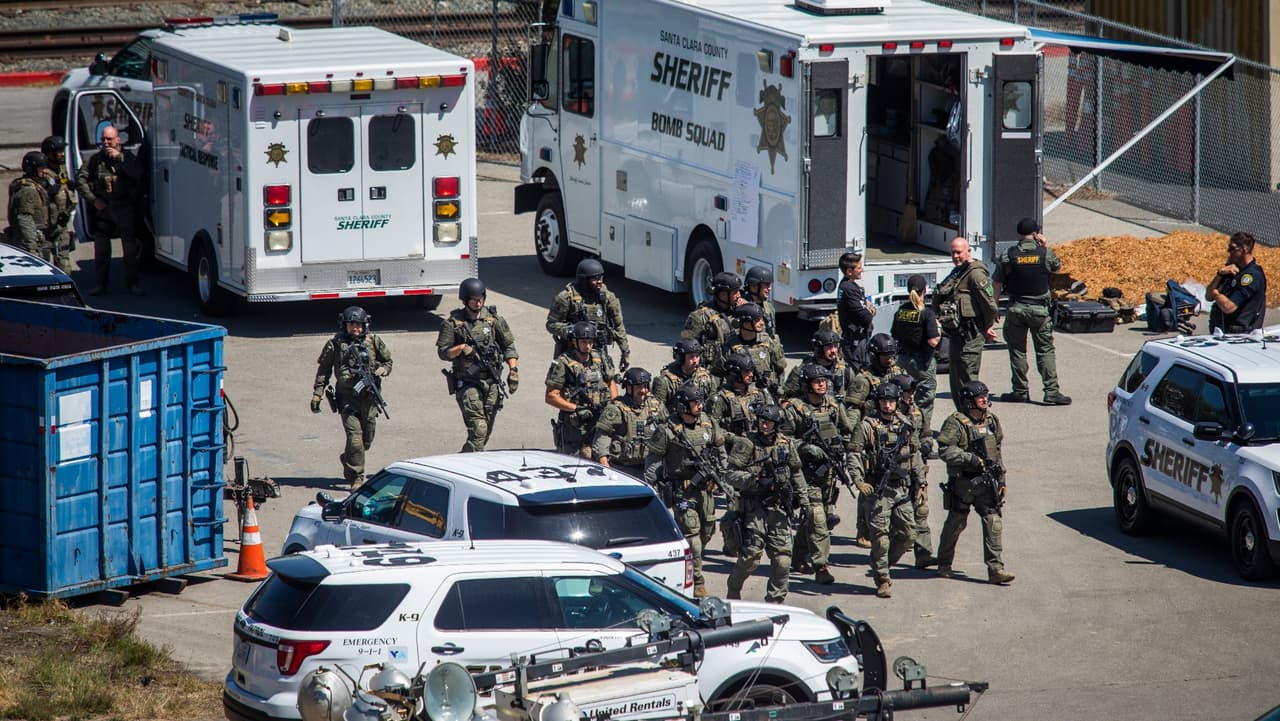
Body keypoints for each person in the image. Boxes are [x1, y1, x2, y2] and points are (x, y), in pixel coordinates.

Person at [645, 382, 728, 597]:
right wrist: (650, 487)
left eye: (700, 402)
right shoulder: (667, 430)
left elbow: (720, 448)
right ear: (683, 406)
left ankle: (687, 558)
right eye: (694, 402)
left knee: (707, 530)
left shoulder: (708, 423)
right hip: (683, 491)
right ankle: (698, 580)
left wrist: (722, 472)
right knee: (693, 538)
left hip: (706, 489)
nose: (699, 406)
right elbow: (653, 460)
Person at [725, 404, 808, 603]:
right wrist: (755, 480)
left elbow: (796, 473)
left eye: (769, 422)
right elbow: (730, 474)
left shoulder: (786, 444)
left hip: (779, 508)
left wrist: (804, 500)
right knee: (750, 558)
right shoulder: (747, 443)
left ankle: (776, 602)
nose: (764, 425)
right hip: (754, 507)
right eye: (762, 421)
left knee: (782, 560)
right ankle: (733, 590)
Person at [934, 381, 1015, 585]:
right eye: (980, 397)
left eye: (985, 396)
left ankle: (996, 568)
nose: (985, 400)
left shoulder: (991, 421)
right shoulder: (955, 423)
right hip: (964, 482)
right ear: (969, 401)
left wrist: (1002, 478)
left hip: (987, 483)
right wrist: (968, 459)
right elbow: (945, 450)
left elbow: (997, 451)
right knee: (956, 522)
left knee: (993, 522)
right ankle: (944, 562)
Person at [849, 382, 925, 598]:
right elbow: (854, 454)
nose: (888, 405)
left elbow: (915, 455)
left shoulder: (905, 424)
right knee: (880, 539)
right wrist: (859, 481)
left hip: (900, 488)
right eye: (884, 401)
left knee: (909, 534)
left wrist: (921, 482)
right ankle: (883, 578)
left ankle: (881, 562)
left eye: (891, 401)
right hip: (877, 490)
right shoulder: (867, 426)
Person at [787, 363, 858, 585]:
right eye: (817, 381)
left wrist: (841, 450)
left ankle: (797, 556)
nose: (822, 384)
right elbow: (781, 440)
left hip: (828, 474)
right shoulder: (794, 409)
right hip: (805, 475)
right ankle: (821, 566)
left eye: (824, 381)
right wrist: (804, 447)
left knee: (817, 521)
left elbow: (848, 432)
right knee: (818, 520)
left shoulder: (833, 406)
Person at [992, 219, 1072, 406]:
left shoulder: (1008, 255)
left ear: (1019, 233)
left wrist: (994, 307)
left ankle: (1020, 391)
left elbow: (996, 282)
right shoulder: (1044, 253)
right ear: (1036, 233)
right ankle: (1051, 392)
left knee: (1017, 351)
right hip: (1039, 310)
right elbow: (1057, 267)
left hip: (1016, 309)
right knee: (1045, 351)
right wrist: (1045, 245)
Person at [311, 306, 393, 487]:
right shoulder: (335, 344)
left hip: (370, 399)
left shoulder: (374, 341)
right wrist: (317, 394)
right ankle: (356, 477)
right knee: (355, 439)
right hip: (347, 398)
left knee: (366, 441)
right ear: (344, 325)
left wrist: (383, 370)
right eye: (351, 325)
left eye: (359, 325)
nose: (355, 328)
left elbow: (388, 361)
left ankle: (349, 458)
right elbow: (323, 371)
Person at [436, 278, 520, 452]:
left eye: (481, 297)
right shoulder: (453, 324)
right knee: (479, 429)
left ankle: (465, 457)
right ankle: (467, 464)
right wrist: (460, 348)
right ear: (465, 300)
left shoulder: (493, 320)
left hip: (492, 381)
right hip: (468, 382)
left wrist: (513, 370)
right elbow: (443, 352)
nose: (479, 302)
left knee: (485, 431)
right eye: (474, 299)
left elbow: (508, 346)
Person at [708, 351, 775, 557]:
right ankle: (732, 541)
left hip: (757, 454)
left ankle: (753, 540)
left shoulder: (760, 394)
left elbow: (773, 414)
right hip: (733, 456)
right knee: (734, 504)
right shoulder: (720, 398)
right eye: (746, 371)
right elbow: (712, 427)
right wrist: (734, 439)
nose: (750, 375)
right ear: (735, 374)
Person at [76, 123, 145, 296]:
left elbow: (138, 174)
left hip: (124, 209)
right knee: (101, 251)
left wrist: (120, 158)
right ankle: (101, 285)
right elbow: (81, 181)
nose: (106, 143)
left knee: (130, 250)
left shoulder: (127, 157)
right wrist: (93, 200)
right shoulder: (95, 160)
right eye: (103, 139)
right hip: (104, 211)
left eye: (109, 139)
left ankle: (133, 284)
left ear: (117, 140)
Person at [932, 237, 998, 411]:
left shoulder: (975, 274)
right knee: (955, 379)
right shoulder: (957, 272)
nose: (955, 256)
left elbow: (989, 305)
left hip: (971, 336)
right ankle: (963, 416)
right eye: (953, 252)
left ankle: (975, 419)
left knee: (969, 380)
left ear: (968, 251)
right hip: (956, 335)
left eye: (959, 252)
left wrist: (987, 326)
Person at [546, 320, 617, 457]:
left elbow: (611, 382)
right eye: (584, 342)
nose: (588, 346)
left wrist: (612, 407)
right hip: (573, 429)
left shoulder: (600, 358)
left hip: (598, 422)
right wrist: (576, 408)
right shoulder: (563, 363)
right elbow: (550, 396)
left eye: (590, 342)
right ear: (574, 342)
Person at [546, 258, 630, 374]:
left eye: (600, 277)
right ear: (584, 280)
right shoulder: (566, 298)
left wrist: (625, 351)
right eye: (595, 279)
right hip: (573, 353)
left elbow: (618, 326)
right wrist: (572, 331)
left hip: (599, 352)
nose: (599, 281)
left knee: (606, 382)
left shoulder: (607, 297)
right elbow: (551, 324)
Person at [892, 374, 939, 570]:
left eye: (912, 392)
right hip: (896, 472)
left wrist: (927, 445)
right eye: (907, 393)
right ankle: (885, 558)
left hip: (917, 468)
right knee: (895, 516)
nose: (911, 396)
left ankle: (924, 553)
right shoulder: (887, 414)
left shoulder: (918, 413)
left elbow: (926, 434)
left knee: (921, 509)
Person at [890, 274, 941, 434]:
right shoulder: (927, 313)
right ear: (925, 290)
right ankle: (922, 434)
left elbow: (894, 333)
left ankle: (903, 430)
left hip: (903, 360)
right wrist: (939, 330)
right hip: (922, 363)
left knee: (904, 398)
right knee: (924, 401)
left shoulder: (901, 310)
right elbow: (933, 341)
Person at [592, 366, 663, 478]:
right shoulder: (616, 409)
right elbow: (602, 436)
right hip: (623, 468)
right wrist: (604, 464)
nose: (643, 390)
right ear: (629, 388)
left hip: (651, 466)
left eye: (645, 386)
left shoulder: (655, 405)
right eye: (639, 387)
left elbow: (668, 428)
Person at [717, 303, 786, 395]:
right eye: (757, 320)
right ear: (744, 322)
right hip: (741, 397)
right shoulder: (729, 346)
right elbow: (719, 374)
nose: (762, 323)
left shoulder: (768, 341)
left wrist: (779, 390)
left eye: (761, 319)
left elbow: (780, 368)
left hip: (767, 394)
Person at [1205, 231, 1267, 333]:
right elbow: (1208, 296)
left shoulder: (1251, 276)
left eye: (1232, 248)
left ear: (1244, 249)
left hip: (1238, 334)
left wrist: (1216, 294)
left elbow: (1228, 307)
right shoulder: (1232, 270)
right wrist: (1220, 274)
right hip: (1221, 331)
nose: (1229, 252)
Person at [683, 271, 742, 371]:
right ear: (723, 294)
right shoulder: (700, 316)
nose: (739, 295)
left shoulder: (740, 311)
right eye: (735, 292)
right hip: (711, 372)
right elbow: (686, 344)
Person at [652, 338, 718, 414]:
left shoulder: (706, 376)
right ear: (681, 358)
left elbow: (713, 401)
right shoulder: (665, 380)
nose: (695, 360)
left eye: (697, 356)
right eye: (691, 356)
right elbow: (659, 408)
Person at [7, 152, 52, 259]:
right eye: (41, 169)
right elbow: (24, 218)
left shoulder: (33, 185)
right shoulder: (28, 191)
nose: (44, 172)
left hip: (35, 238)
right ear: (32, 169)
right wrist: (32, 246)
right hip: (28, 241)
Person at [41, 136, 76, 273]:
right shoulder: (41, 172)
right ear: (49, 154)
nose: (62, 154)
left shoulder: (61, 168)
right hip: (46, 226)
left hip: (61, 223)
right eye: (58, 152)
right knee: (43, 265)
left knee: (64, 264)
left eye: (63, 151)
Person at [836, 252, 875, 369]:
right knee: (860, 373)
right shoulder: (849, 289)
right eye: (858, 268)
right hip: (855, 341)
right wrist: (870, 309)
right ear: (849, 271)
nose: (862, 270)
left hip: (855, 339)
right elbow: (866, 317)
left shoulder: (849, 285)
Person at [743, 265, 778, 338]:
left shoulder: (768, 307)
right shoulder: (743, 309)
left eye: (770, 285)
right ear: (754, 286)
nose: (770, 288)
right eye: (766, 285)